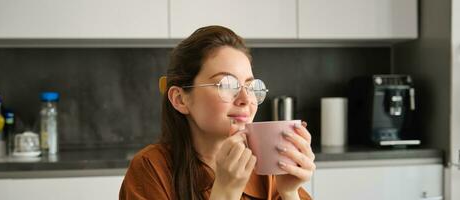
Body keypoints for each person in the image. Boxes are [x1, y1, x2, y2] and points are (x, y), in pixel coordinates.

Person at [119, 25, 315, 200]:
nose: (246, 99)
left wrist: (289, 192)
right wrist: (226, 191)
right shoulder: (150, 169)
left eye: (251, 86)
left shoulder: (268, 164)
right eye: (227, 84)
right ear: (180, 99)